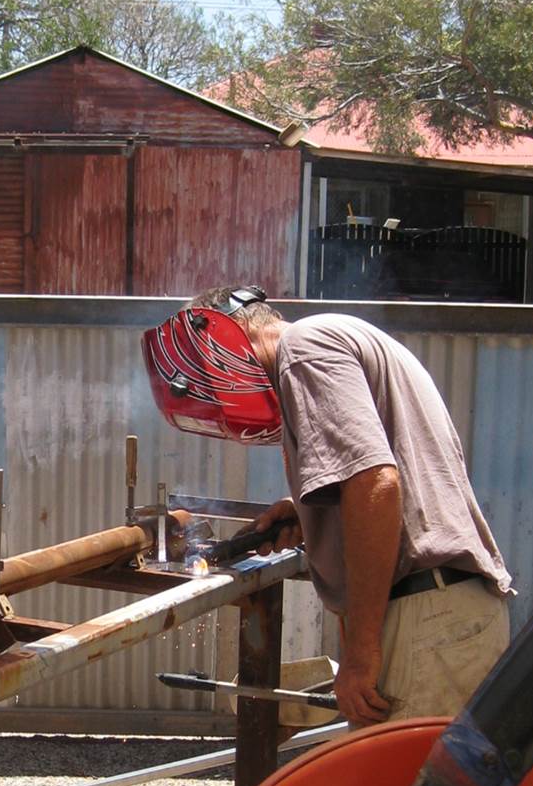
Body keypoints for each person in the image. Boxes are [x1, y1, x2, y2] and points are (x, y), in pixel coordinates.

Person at [142, 287, 512, 726]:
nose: (214, 386)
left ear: (223, 337)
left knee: (403, 774)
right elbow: (389, 476)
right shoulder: (339, 339)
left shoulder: (304, 350)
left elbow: (375, 482)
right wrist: (309, 510)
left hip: (424, 614)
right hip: (444, 611)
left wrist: (361, 651)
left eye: (208, 368)